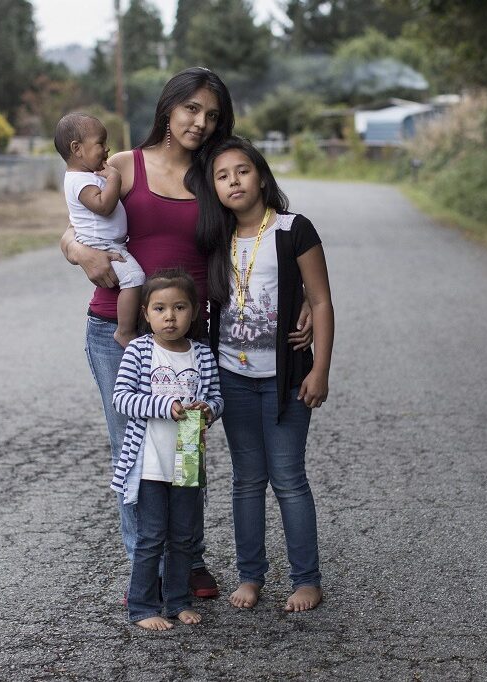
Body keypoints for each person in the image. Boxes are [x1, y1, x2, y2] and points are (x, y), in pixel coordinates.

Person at [61, 67, 237, 599]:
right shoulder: (122, 166)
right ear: (168, 108)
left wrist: (301, 300)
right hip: (118, 325)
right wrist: (82, 253)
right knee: (136, 449)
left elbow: (262, 229)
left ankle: (189, 561)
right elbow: (74, 228)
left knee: (186, 446)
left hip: (191, 334)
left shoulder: (217, 174)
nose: (200, 123)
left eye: (212, 115)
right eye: (191, 110)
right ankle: (149, 569)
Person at [196, 137, 335, 613]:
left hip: (286, 380)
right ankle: (250, 576)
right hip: (232, 377)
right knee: (247, 480)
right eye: (222, 175)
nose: (234, 181)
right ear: (213, 189)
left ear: (261, 176)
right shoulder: (215, 239)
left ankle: (307, 579)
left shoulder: (294, 229)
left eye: (242, 171)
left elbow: (320, 301)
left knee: (289, 477)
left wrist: (320, 370)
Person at [110, 269, 223, 630]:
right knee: (151, 537)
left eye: (179, 307)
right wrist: (166, 407)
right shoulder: (140, 350)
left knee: (183, 538)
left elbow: (217, 398)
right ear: (146, 313)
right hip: (148, 464)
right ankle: (143, 607)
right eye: (160, 308)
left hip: (188, 458)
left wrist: (209, 410)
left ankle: (176, 602)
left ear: (194, 312)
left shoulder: (202, 355)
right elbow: (122, 399)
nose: (170, 316)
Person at [54, 112, 143, 347]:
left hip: (109, 242)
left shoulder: (87, 176)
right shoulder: (79, 181)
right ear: (77, 148)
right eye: (100, 143)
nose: (107, 149)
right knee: (134, 278)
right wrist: (114, 178)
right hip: (102, 245)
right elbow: (103, 206)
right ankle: (124, 331)